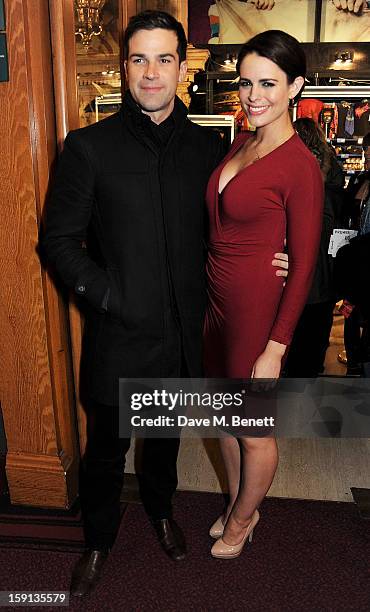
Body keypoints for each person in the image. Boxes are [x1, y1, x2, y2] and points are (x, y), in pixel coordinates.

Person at [43, 11, 289, 597]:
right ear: (125, 66)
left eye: (163, 59)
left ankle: (159, 511)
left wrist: (273, 262)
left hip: (184, 333)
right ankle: (98, 540)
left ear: (182, 66)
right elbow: (57, 241)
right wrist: (107, 294)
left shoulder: (211, 150)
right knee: (107, 448)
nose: (151, 73)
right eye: (138, 59)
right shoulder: (87, 148)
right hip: (119, 331)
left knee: (165, 439)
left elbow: (236, 229)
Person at [203, 30, 323, 558]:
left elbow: (302, 267)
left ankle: (243, 521)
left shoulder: (301, 166)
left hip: (256, 310)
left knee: (251, 429)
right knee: (221, 419)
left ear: (295, 87)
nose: (255, 95)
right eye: (247, 82)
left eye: (269, 84)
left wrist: (275, 346)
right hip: (215, 303)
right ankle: (235, 501)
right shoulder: (242, 138)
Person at [284, 118, 345, 377]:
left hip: (296, 271)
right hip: (326, 274)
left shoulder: (292, 175)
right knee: (316, 339)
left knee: (292, 338)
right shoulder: (335, 180)